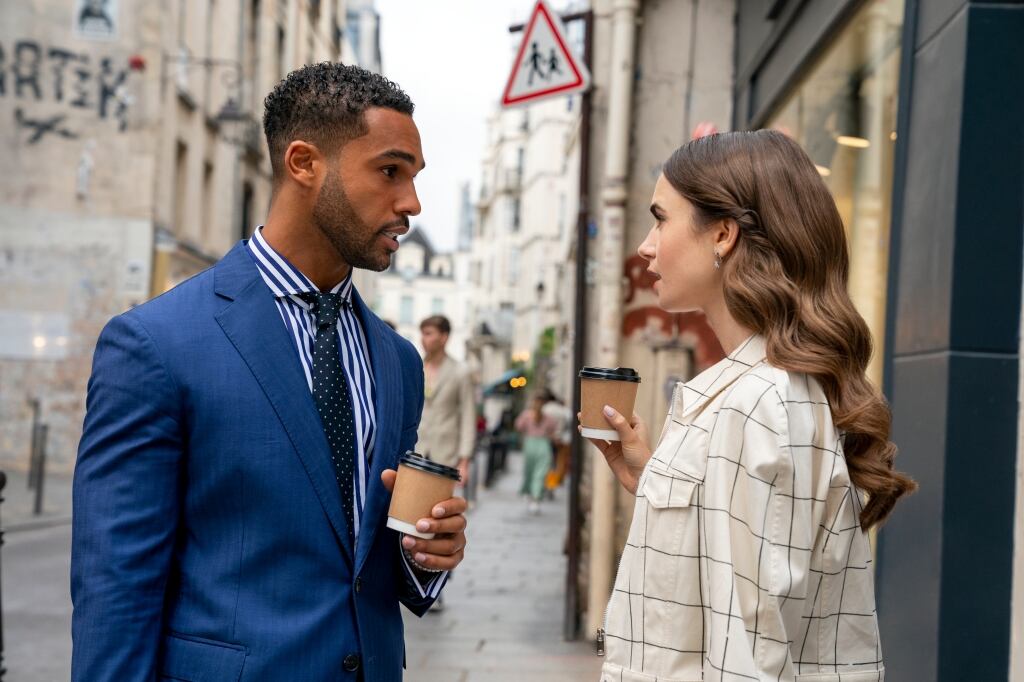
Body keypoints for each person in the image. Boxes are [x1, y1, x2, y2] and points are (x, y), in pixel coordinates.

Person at [71, 63, 467, 682]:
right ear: (304, 163)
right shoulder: (156, 343)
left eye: (414, 178)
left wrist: (425, 555)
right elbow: (116, 589)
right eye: (390, 171)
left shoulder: (398, 361)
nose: (411, 204)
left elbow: (359, 558)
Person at [585, 130, 916, 681]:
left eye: (661, 218)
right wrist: (657, 478)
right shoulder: (753, 393)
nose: (646, 245)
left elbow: (749, 655)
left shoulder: (757, 401)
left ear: (722, 234)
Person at [415, 315, 477, 486]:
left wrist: (464, 462)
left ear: (444, 337)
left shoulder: (460, 372)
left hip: (446, 456)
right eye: (422, 333)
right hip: (414, 451)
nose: (423, 339)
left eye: (428, 333)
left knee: (438, 510)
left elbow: (468, 417)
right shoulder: (414, 367)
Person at [515, 393, 558, 514]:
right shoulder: (548, 417)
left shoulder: (526, 415)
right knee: (540, 472)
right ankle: (535, 497)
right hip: (543, 444)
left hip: (530, 443)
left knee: (530, 471)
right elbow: (553, 429)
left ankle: (531, 495)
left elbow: (518, 426)